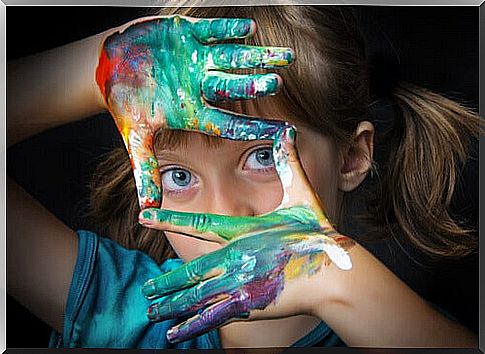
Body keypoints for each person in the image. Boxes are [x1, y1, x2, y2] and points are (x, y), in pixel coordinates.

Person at [6, 5, 480, 349]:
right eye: (177, 175)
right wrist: (108, 65)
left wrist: (338, 279)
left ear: (352, 157)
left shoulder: (400, 329)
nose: (225, 212)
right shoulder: (123, 314)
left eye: (260, 157)